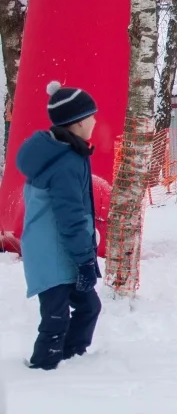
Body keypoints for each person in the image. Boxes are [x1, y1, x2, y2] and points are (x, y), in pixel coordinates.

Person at [17, 82, 103, 371]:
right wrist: (85, 261)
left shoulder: (65, 152)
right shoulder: (65, 162)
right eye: (92, 117)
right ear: (78, 123)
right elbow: (71, 216)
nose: (95, 121)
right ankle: (44, 367)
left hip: (60, 249)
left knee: (89, 306)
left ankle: (73, 358)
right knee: (56, 316)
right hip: (54, 253)